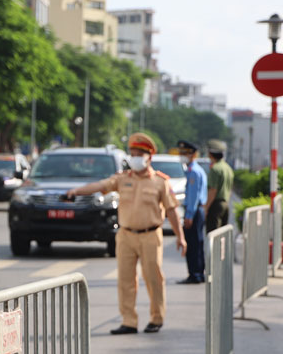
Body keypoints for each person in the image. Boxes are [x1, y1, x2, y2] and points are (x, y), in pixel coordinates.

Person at [65, 133, 186, 334]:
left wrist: (180, 237)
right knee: (125, 280)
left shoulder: (160, 182)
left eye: (139, 154)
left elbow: (172, 210)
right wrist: (76, 191)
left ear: (149, 156)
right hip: (126, 235)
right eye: (132, 153)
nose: (135, 157)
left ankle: (157, 318)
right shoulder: (122, 179)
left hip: (150, 235)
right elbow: (100, 186)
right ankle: (129, 321)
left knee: (153, 278)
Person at [177, 140, 208, 284]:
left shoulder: (194, 172)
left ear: (193, 155)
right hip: (197, 211)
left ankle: (195, 274)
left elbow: (193, 196)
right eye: (181, 153)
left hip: (194, 212)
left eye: (186, 153)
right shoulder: (193, 170)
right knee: (197, 242)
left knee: (193, 244)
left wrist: (189, 215)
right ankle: (198, 273)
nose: (182, 156)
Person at [205, 139, 234, 232]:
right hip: (225, 204)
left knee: (213, 235)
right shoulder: (228, 168)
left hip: (215, 205)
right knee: (222, 236)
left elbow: (213, 190)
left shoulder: (215, 168)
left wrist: (206, 208)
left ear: (210, 153)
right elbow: (230, 189)